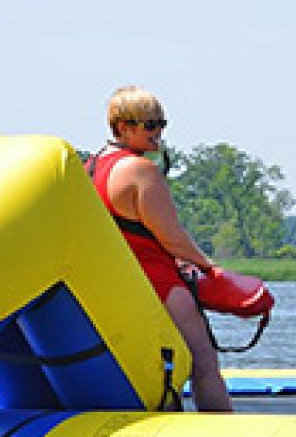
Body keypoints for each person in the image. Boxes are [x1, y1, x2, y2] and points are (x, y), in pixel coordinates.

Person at [88, 85, 232, 412]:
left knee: (156, 368)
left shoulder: (92, 167)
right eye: (149, 125)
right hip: (160, 283)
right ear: (123, 127)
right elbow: (172, 238)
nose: (158, 133)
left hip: (119, 287)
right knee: (204, 365)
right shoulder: (142, 170)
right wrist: (210, 267)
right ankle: (224, 435)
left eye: (161, 124)